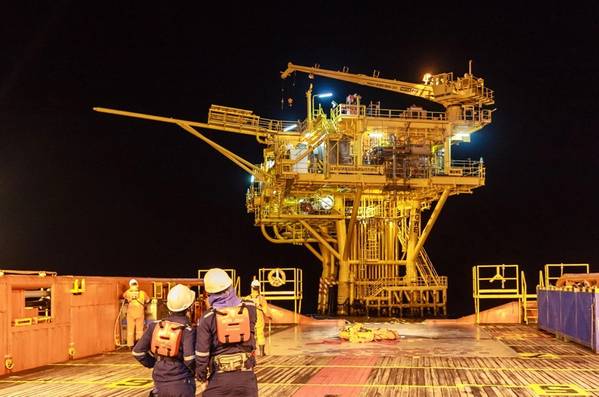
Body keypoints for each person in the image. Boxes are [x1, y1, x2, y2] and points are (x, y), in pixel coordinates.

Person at [195, 268, 258, 396]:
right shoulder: (250, 308)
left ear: (209, 293)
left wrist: (201, 377)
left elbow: (202, 354)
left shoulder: (207, 318)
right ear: (231, 286)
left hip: (219, 379)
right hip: (246, 378)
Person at [132, 284, 197, 397]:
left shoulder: (155, 326)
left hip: (159, 384)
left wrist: (154, 363)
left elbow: (137, 352)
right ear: (189, 307)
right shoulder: (187, 329)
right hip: (182, 383)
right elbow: (189, 359)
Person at [246, 279, 271, 356]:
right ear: (259, 288)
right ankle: (261, 352)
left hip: (249, 318)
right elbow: (265, 310)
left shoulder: (247, 298)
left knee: (250, 335)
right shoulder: (261, 298)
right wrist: (269, 316)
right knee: (260, 334)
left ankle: (250, 352)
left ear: (251, 287)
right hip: (258, 317)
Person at [123, 279, 150, 348]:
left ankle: (130, 345)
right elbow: (148, 300)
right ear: (137, 284)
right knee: (139, 330)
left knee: (130, 330)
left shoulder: (127, 292)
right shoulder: (142, 293)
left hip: (130, 313)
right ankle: (139, 344)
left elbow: (124, 296)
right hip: (140, 313)